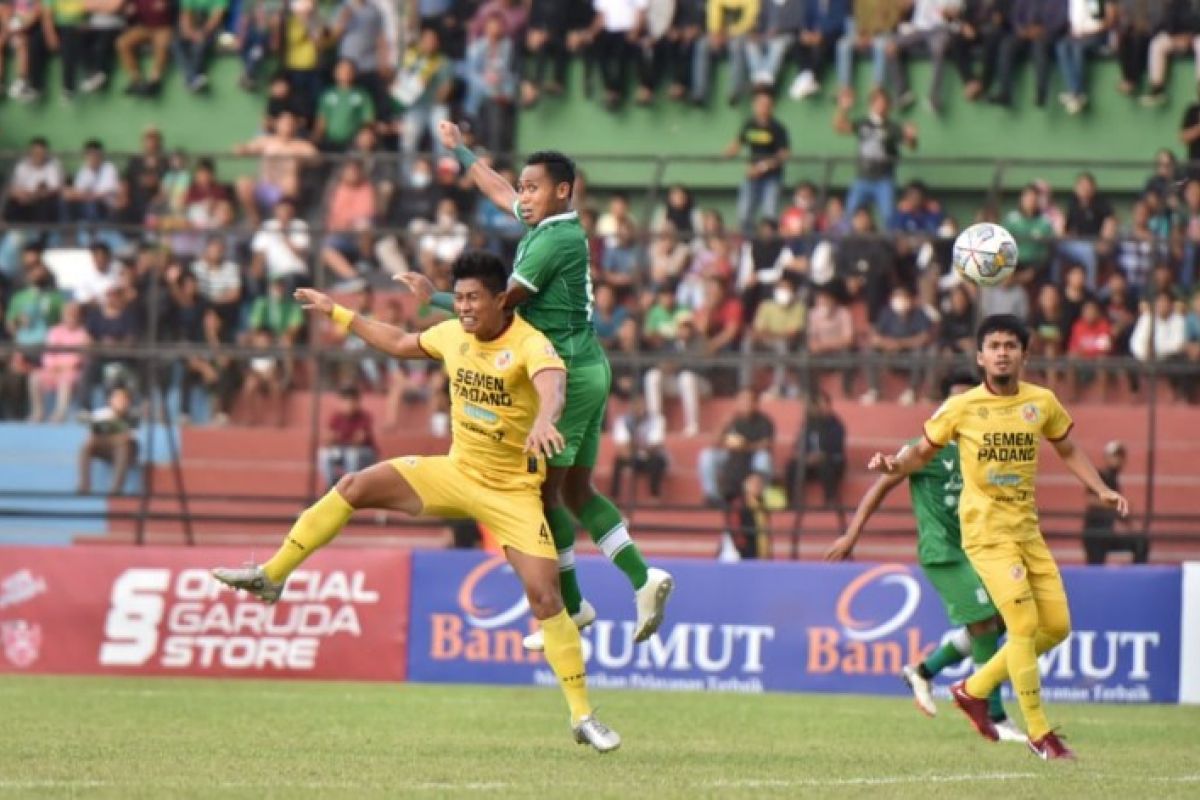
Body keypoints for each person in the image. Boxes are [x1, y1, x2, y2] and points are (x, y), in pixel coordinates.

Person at [213, 251, 621, 753]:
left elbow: (552, 386)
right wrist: (339, 312)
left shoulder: (530, 344)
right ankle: (273, 574)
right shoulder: (452, 334)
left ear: (500, 299)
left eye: (474, 298)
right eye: (461, 298)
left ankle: (582, 715)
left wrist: (544, 419)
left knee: (546, 599)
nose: (465, 307)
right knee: (354, 487)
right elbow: (401, 342)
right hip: (455, 472)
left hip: (511, 491)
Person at [400, 123, 674, 653]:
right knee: (575, 492)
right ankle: (640, 580)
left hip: (563, 374)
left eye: (533, 188)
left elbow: (502, 303)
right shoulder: (552, 225)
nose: (522, 196)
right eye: (523, 187)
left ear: (563, 191)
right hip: (588, 365)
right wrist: (459, 147)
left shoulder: (552, 240)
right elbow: (494, 185)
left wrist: (437, 299)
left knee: (540, 494)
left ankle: (570, 608)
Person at [866, 314, 1130, 760]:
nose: (1002, 352)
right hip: (986, 534)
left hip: (1028, 530)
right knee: (1023, 626)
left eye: (1011, 345)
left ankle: (974, 687)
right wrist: (895, 465)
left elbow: (1066, 447)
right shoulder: (961, 407)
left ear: (1025, 354)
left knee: (1057, 628)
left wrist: (1100, 487)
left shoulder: (1041, 402)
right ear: (980, 356)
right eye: (994, 345)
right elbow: (921, 452)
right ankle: (1040, 733)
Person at [827, 373, 1025, 743]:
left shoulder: (984, 451)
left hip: (977, 551)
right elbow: (883, 483)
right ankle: (993, 715)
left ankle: (923, 671)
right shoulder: (925, 450)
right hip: (943, 554)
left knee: (998, 622)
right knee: (984, 622)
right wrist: (852, 533)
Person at [835, 88, 918, 227]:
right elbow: (840, 126)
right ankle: (846, 245)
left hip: (884, 179)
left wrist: (911, 137)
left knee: (889, 217)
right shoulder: (863, 123)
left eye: (884, 103)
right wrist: (843, 109)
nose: (880, 106)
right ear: (871, 104)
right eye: (877, 103)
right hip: (863, 177)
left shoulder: (892, 127)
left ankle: (889, 246)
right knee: (850, 213)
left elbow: (911, 145)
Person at [723, 87, 791, 235]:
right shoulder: (749, 124)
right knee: (744, 214)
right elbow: (737, 144)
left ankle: (769, 247)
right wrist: (727, 154)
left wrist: (761, 167)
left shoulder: (778, 128)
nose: (763, 108)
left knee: (769, 215)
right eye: (760, 104)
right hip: (751, 177)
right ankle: (748, 244)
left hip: (771, 177)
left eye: (766, 105)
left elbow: (783, 154)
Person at [698, 387, 774, 505]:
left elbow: (766, 444)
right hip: (733, 455)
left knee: (764, 458)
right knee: (707, 456)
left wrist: (746, 446)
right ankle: (712, 496)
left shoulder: (764, 421)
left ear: (755, 403)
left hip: (753, 455)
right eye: (742, 400)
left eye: (749, 400)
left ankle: (760, 495)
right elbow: (714, 442)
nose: (746, 404)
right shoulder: (733, 419)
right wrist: (723, 425)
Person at [1081, 441, 1149, 565]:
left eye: (1121, 457)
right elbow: (1091, 499)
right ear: (1106, 457)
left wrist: (1131, 522)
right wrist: (1117, 504)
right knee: (1096, 568)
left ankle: (1137, 578)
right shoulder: (1099, 475)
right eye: (1115, 456)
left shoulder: (1114, 481)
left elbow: (1115, 510)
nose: (1118, 460)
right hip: (1094, 533)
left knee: (1140, 542)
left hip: (1107, 533)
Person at [786, 391, 847, 527]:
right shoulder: (809, 423)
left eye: (823, 404)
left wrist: (820, 456)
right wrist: (803, 456)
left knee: (826, 465)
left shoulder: (836, 425)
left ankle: (830, 500)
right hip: (809, 461)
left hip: (831, 461)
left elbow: (835, 448)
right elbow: (799, 444)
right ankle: (792, 500)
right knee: (792, 466)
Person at [77, 384, 138, 495]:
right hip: (105, 448)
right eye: (117, 398)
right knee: (87, 445)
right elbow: (92, 434)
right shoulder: (101, 414)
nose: (120, 401)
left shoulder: (133, 416)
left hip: (126, 451)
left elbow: (131, 437)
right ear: (110, 400)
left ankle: (116, 489)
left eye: (123, 399)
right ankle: (84, 485)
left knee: (123, 445)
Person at [610, 394, 668, 500]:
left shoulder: (657, 420)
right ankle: (614, 496)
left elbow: (654, 446)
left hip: (651, 458)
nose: (638, 408)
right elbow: (623, 448)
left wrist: (634, 445)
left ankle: (654, 496)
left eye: (641, 405)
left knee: (658, 460)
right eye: (635, 405)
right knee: (618, 460)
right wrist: (637, 447)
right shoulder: (623, 421)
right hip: (633, 457)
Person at [319, 386, 378, 487]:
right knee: (324, 453)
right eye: (344, 401)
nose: (348, 405)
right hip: (342, 450)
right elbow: (328, 439)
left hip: (365, 452)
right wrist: (331, 439)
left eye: (351, 401)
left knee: (352, 454)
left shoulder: (365, 416)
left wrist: (339, 438)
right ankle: (330, 486)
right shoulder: (336, 417)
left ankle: (350, 487)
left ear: (357, 402)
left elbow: (359, 441)